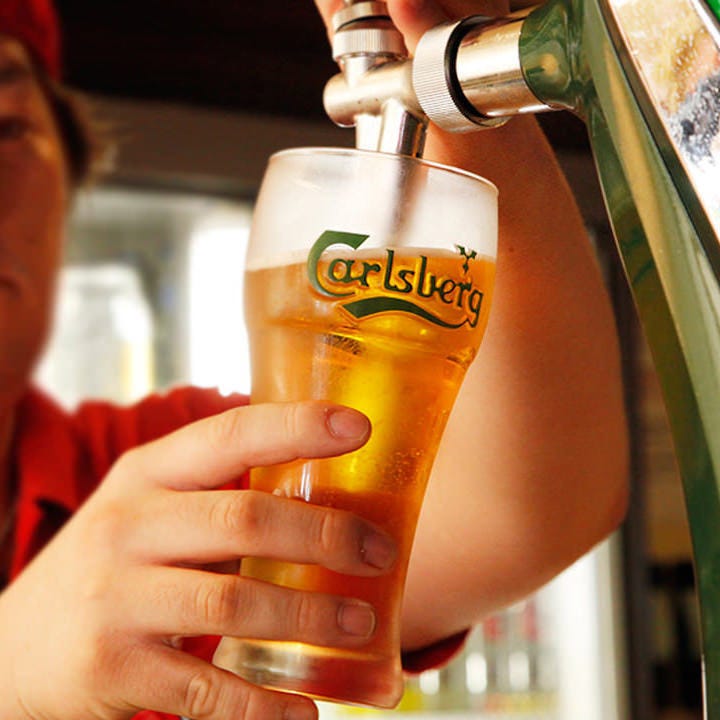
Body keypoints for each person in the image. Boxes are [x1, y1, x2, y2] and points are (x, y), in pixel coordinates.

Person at [0, 0, 629, 718]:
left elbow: (531, 513)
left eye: (7, 128)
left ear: (70, 178)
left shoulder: (162, 476)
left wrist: (447, 57)